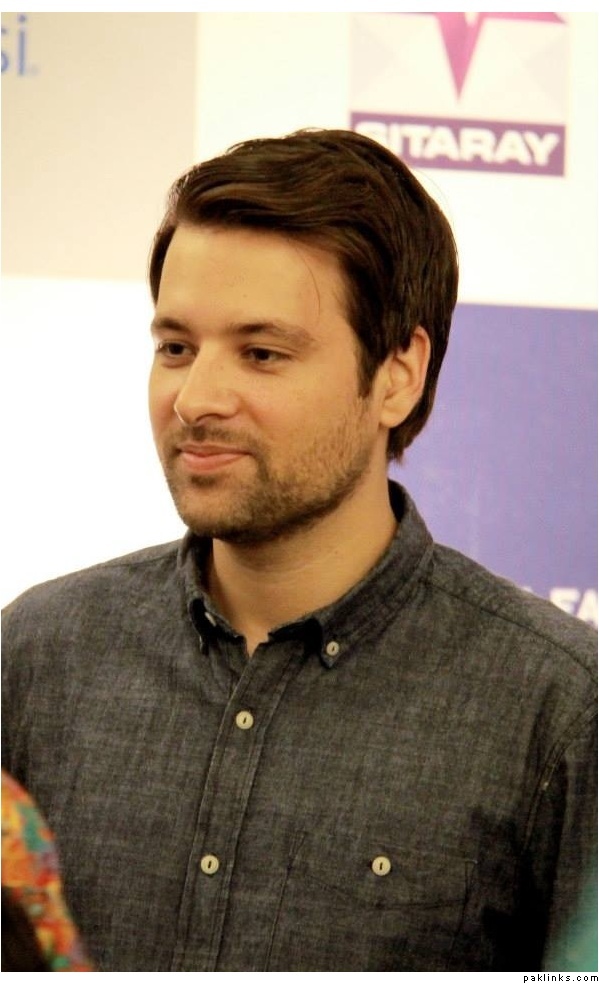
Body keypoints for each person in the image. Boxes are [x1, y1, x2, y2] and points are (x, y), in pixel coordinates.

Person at [1, 128, 596, 973]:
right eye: (175, 348)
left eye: (261, 353)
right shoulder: (36, 654)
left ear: (397, 374)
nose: (196, 398)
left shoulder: (560, 708)